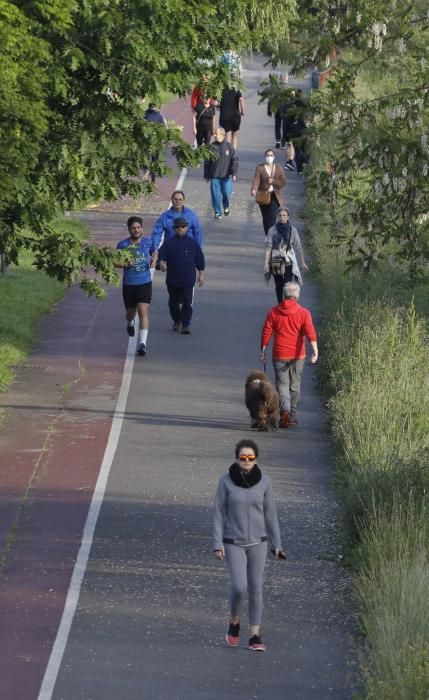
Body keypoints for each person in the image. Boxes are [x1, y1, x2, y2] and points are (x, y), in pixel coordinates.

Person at [213, 439, 285, 652]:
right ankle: (234, 621)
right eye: (243, 457)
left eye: (250, 457)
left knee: (255, 588)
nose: (246, 461)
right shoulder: (225, 482)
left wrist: (277, 543)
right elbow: (218, 513)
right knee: (239, 586)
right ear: (237, 458)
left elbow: (270, 515)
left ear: (256, 459)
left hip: (258, 543)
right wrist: (217, 543)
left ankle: (255, 635)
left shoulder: (265, 483)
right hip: (233, 542)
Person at [260, 281, 318, 428]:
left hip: (279, 354)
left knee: (282, 385)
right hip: (298, 355)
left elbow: (267, 331)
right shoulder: (303, 313)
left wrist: (263, 350)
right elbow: (310, 331)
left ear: (284, 295)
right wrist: (315, 349)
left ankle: (285, 412)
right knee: (295, 384)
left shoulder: (273, 312)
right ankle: (291, 412)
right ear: (297, 296)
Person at [116, 216, 158, 356]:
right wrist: (124, 264)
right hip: (129, 284)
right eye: (133, 228)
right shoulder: (123, 245)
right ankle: (130, 323)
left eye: (138, 227)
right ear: (129, 229)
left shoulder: (148, 242)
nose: (136, 230)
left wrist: (154, 259)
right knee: (130, 313)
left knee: (143, 311)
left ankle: (142, 344)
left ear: (142, 228)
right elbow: (115, 262)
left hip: (144, 283)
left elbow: (154, 251)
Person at [158, 217, 205, 334]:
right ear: (174, 229)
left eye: (182, 226)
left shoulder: (192, 243)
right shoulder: (168, 243)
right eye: (178, 227)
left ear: (186, 227)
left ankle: (185, 324)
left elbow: (200, 259)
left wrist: (201, 275)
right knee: (173, 304)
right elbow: (161, 256)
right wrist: (162, 263)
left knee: (187, 303)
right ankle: (177, 320)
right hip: (173, 280)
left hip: (188, 280)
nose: (180, 229)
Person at [264, 208, 308, 302]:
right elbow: (268, 248)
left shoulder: (293, 230)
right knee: (279, 285)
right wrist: (266, 264)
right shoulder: (272, 230)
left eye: (284, 215)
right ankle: (280, 303)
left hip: (288, 261)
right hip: (276, 260)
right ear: (277, 217)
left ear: (288, 217)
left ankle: (286, 304)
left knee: (287, 285)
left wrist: (303, 263)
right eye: (280, 215)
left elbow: (299, 247)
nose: (282, 218)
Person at [204, 127, 238, 219]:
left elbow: (234, 160)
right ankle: (218, 212)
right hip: (214, 176)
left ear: (222, 135)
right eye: (214, 134)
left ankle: (226, 206)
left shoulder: (229, 147)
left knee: (226, 193)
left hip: (226, 177)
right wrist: (206, 175)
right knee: (215, 195)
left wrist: (234, 173)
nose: (214, 136)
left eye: (216, 134)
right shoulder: (211, 147)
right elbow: (207, 162)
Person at [251, 149, 287, 235]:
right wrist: (254, 189)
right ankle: (268, 235)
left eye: (271, 155)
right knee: (266, 217)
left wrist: (273, 181)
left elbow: (283, 182)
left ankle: (273, 236)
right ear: (265, 157)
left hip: (274, 196)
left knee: (272, 217)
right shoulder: (260, 168)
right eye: (267, 155)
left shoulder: (278, 168)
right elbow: (256, 179)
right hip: (263, 196)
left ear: (274, 157)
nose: (269, 157)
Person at [219, 87, 245, 151]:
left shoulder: (221, 89)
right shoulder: (236, 89)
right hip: (235, 115)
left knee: (227, 133)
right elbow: (241, 100)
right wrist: (242, 111)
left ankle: (227, 152)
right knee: (234, 133)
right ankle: (233, 153)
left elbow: (216, 102)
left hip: (225, 114)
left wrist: (220, 106)